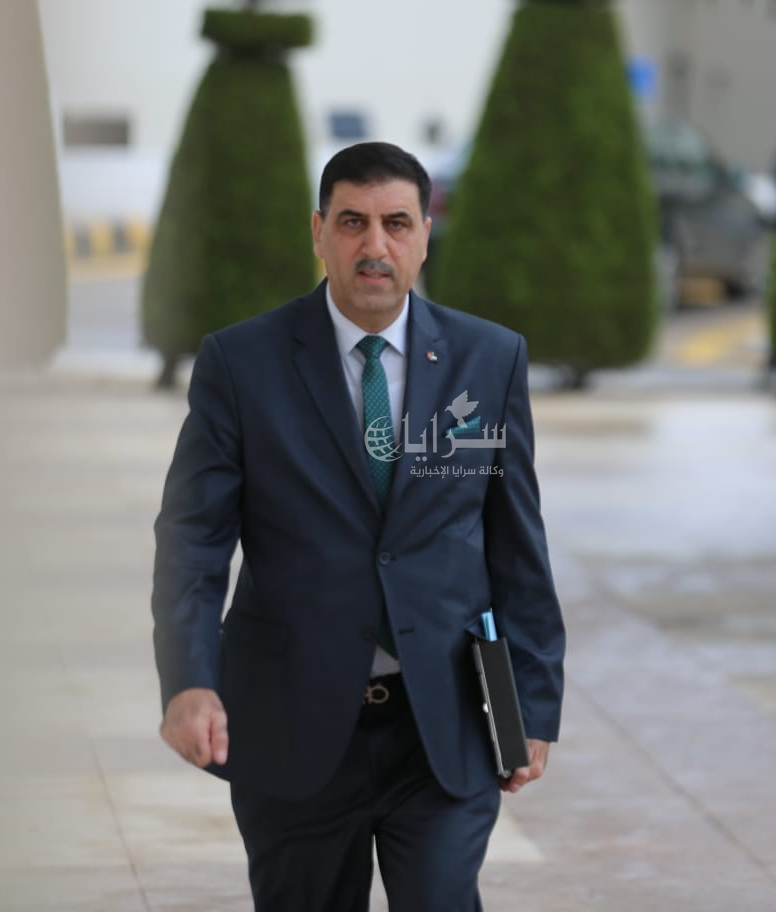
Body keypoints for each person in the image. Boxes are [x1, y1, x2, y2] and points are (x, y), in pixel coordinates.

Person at [152, 141, 566, 912]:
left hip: (445, 723)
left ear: (425, 235)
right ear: (319, 232)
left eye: (396, 223)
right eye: (352, 222)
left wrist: (533, 705)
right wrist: (189, 681)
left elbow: (518, 547)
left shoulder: (489, 360)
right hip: (294, 725)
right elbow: (192, 542)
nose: (375, 245)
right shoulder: (241, 364)